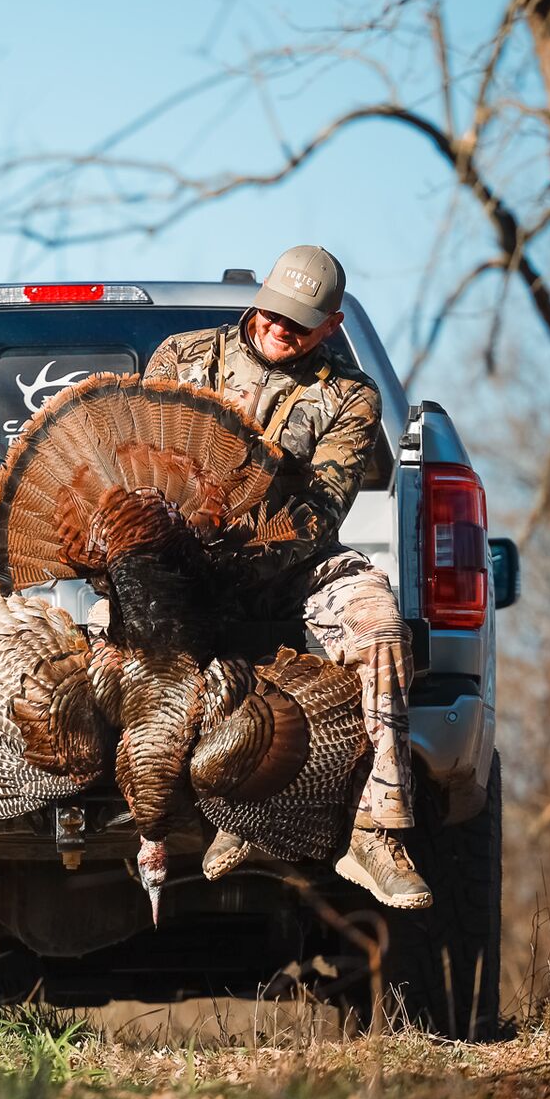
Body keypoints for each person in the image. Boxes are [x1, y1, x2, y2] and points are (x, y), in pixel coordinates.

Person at [143, 245, 431, 910]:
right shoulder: (185, 358)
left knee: (380, 627)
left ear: (330, 326)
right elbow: (139, 468)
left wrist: (243, 544)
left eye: (301, 322)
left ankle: (375, 832)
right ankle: (242, 816)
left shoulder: (350, 395)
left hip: (289, 565)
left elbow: (320, 509)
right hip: (179, 566)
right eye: (275, 310)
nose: (281, 327)